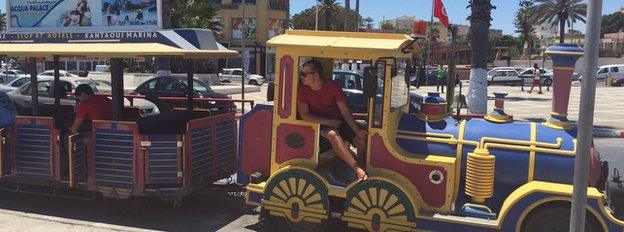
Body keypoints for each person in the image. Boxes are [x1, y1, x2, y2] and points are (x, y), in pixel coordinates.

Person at [297, 60, 368, 181]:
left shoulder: (332, 86)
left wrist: (357, 131)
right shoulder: (302, 90)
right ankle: (357, 169)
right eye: (301, 74)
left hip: (338, 120)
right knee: (332, 134)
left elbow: (345, 111)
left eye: (304, 74)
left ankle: (362, 167)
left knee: (361, 140)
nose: (301, 77)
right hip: (321, 123)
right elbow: (305, 115)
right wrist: (328, 122)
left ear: (315, 76)